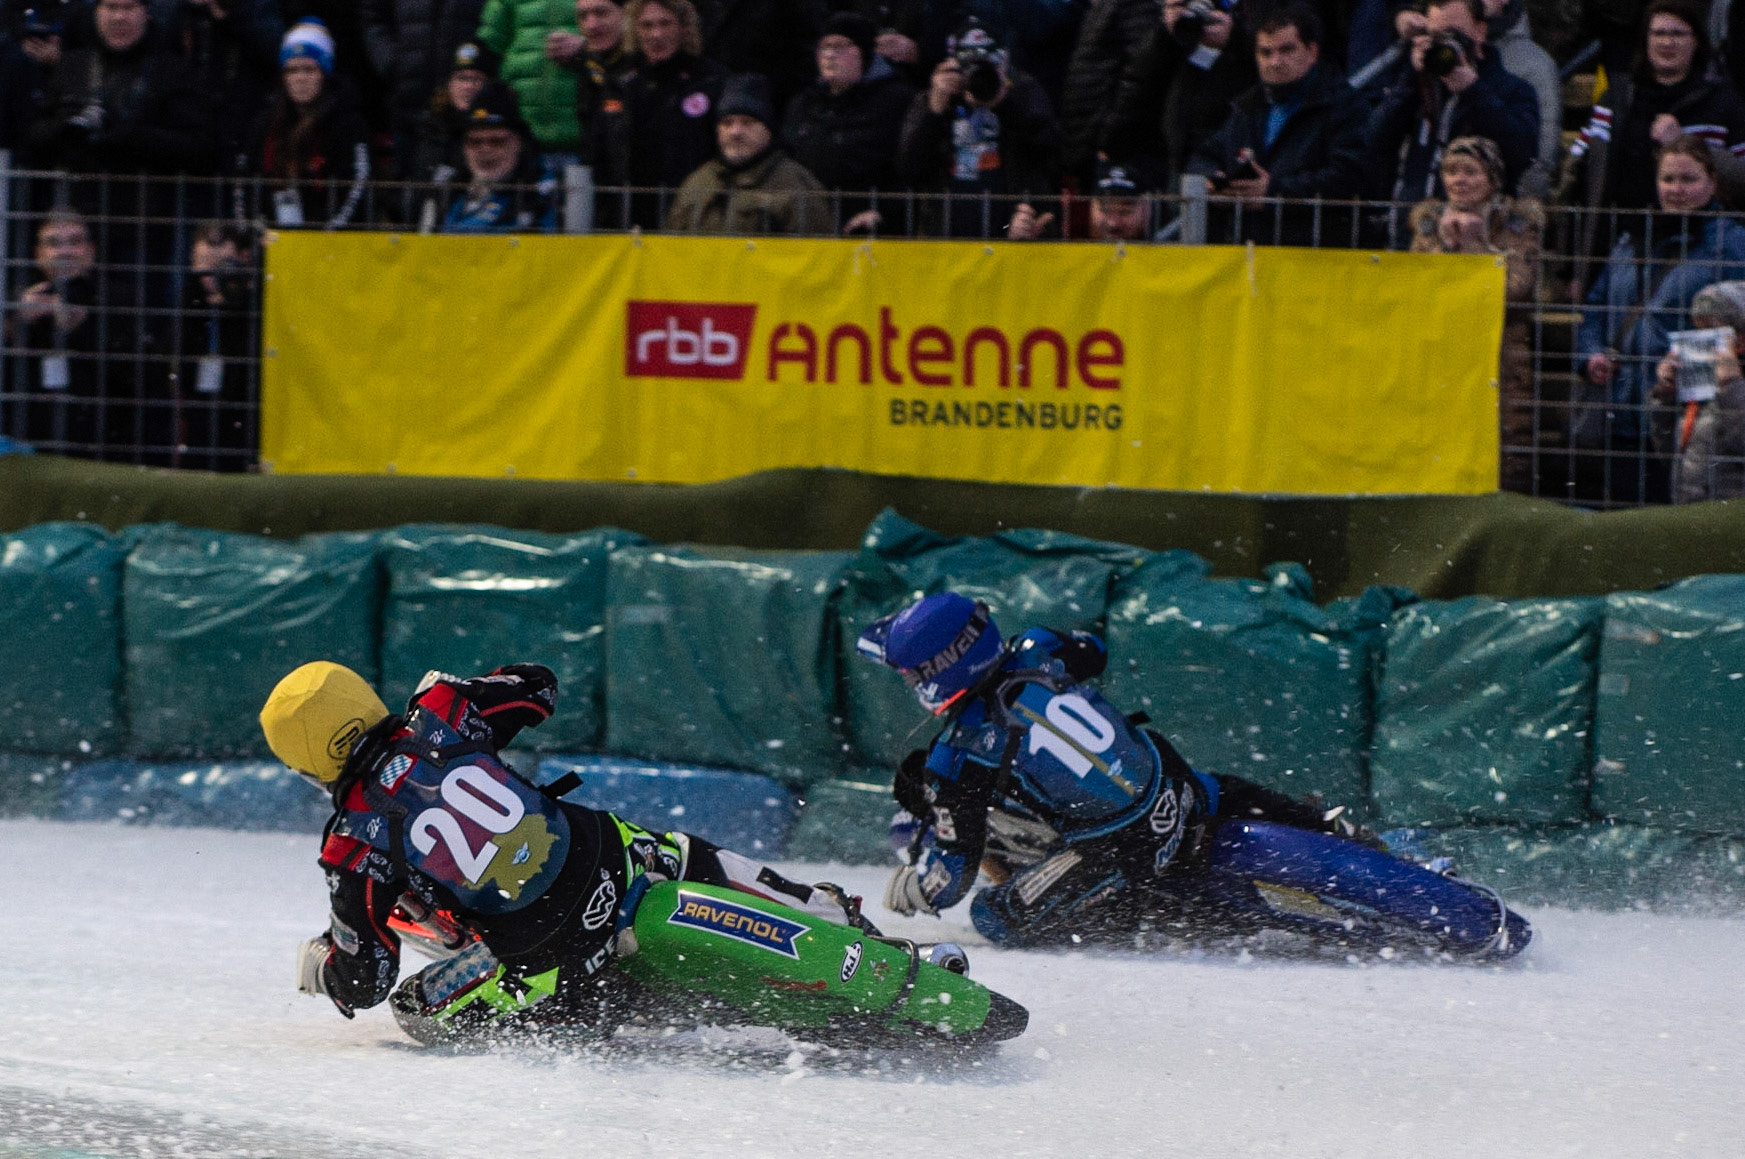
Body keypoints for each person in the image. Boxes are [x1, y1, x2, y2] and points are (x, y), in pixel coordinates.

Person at [265, 661, 878, 1041]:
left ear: (305, 763)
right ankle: (828, 910)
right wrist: (474, 686)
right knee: (676, 847)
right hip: (612, 857)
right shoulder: (445, 709)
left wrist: (325, 969)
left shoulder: (351, 840)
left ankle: (612, 1007)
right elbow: (538, 688)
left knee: (413, 1011)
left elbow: (369, 980)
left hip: (547, 953)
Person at [855, 593, 1374, 946]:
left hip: (1121, 847)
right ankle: (1333, 828)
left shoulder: (957, 757)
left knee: (994, 917)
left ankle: (1151, 917)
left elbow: (952, 877)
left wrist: (916, 888)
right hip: (1171, 786)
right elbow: (1093, 650)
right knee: (1217, 787)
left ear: (932, 677)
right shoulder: (1039, 647)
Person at [1575, 135, 1745, 504]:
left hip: (1693, 414)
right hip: (1622, 408)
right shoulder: (1632, 238)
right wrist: (1589, 356)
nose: (1677, 190)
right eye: (1668, 179)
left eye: (1689, 180)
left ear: (1712, 182)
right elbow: (1597, 305)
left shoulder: (1733, 243)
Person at [1408, 136, 1544, 494]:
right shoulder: (1427, 226)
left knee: (1506, 444)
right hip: (1441, 350)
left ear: (1493, 179)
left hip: (1501, 354)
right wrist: (1444, 249)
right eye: (1451, 172)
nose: (1459, 180)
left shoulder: (1516, 225)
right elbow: (1417, 288)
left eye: (1470, 171)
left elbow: (1517, 287)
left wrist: (1473, 249)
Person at [1569, 0, 1745, 255]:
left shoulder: (1723, 103)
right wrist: (1574, 270)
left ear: (1696, 41)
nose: (1667, 42)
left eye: (1678, 34)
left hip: (1701, 249)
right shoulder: (1615, 101)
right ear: (1645, 41)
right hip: (1620, 246)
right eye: (1659, 33)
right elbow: (1580, 174)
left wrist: (1686, 146)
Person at [1186, 3, 1368, 246]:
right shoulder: (1247, 108)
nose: (1275, 62)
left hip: (1318, 257)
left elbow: (1349, 177)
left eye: (1286, 50)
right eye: (1265, 52)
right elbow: (1205, 156)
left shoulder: (1344, 106)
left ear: (1312, 52)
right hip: (1252, 254)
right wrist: (1213, 182)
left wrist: (1274, 192)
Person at [1361, 0, 1538, 237]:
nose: (1445, 44)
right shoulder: (1418, 86)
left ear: (1480, 31)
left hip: (1480, 241)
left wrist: (1472, 91)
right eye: (1435, 36)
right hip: (1414, 234)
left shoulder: (1513, 90)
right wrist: (1412, 78)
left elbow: (1522, 153)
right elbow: (1373, 140)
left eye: (1454, 35)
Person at [2, 210, 156, 462]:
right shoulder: (16, 301)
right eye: (53, 243)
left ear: (90, 251)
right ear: (37, 254)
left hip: (105, 446)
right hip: (33, 449)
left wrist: (83, 329)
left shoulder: (122, 299)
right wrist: (16, 323)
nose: (64, 252)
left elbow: (139, 379)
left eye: (74, 242)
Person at [895, 18, 1059, 238]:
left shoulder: (1023, 91)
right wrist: (933, 113)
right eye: (970, 66)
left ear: (1004, 61)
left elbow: (1051, 151)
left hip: (1011, 230)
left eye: (987, 64)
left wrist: (1003, 103)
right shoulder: (934, 99)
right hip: (946, 237)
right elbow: (908, 168)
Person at [592, 0, 726, 228]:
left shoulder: (710, 80)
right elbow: (602, 152)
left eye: (665, 24)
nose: (656, 34)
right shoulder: (620, 84)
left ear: (683, 28)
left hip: (692, 210)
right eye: (647, 25)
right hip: (630, 212)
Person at [779, 12, 916, 234]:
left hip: (871, 230)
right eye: (824, 47)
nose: (830, 55)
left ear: (864, 52)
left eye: (841, 46)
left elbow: (910, 167)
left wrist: (886, 211)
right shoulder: (803, 103)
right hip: (808, 226)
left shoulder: (897, 101)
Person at [241, 20, 373, 228]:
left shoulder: (349, 125)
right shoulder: (266, 124)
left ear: (324, 73)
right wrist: (253, 234)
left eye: (309, 70)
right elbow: (246, 181)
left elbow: (358, 188)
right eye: (292, 71)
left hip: (329, 247)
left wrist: (324, 237)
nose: (300, 78)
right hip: (273, 243)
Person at [665, 73, 833, 233]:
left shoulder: (797, 185)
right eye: (727, 123)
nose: (735, 132)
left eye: (748, 123)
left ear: (768, 131)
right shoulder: (698, 181)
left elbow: (816, 257)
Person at [163, 221, 258, 471]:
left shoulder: (257, 311)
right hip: (199, 431)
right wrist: (194, 302)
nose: (210, 283)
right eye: (201, 273)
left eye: (222, 269)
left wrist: (235, 304)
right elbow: (172, 370)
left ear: (244, 260)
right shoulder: (190, 304)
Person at [1649, 279, 1745, 500]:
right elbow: (1666, 450)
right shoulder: (1700, 381)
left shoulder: (1731, 383)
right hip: (1690, 510)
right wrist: (1665, 396)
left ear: (1740, 335)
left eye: (1712, 331)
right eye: (1698, 330)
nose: (1701, 340)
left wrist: (1732, 385)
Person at [427, 81, 558, 230]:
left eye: (497, 141)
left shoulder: (540, 192)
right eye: (475, 142)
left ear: (518, 143)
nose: (485, 149)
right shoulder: (447, 190)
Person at [475, 0, 584, 163]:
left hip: (583, 138)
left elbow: (623, 35)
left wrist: (585, 49)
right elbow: (487, 50)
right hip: (518, 139)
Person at [1006, 157, 1159, 240]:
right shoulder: (1067, 253)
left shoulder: (1169, 261)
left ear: (1146, 209)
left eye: (1125, 211)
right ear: (1090, 206)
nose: (1114, 222)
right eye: (1105, 210)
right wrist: (1020, 246)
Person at [408, 40, 493, 184]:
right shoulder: (430, 128)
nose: (468, 86)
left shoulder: (498, 131)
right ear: (449, 84)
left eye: (476, 79)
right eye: (462, 78)